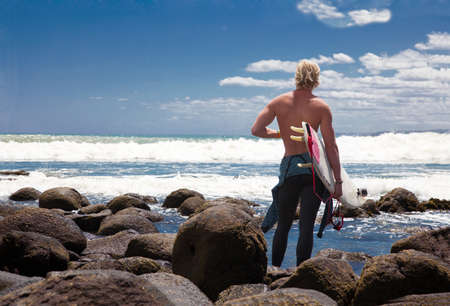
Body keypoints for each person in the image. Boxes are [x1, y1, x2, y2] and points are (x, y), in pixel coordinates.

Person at [251, 60, 343, 267]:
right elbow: (330, 146)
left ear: (296, 76)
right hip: (313, 171)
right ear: (317, 79)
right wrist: (338, 181)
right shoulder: (322, 107)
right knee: (306, 226)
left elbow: (256, 130)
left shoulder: (278, 102)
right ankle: (301, 272)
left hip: (290, 168)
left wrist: (280, 134)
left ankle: (274, 269)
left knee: (283, 225)